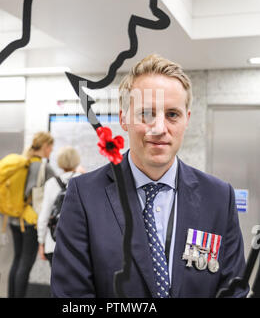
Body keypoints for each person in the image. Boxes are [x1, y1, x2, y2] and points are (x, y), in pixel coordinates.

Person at [50, 54, 249, 298]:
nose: (159, 128)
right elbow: (71, 296)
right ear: (123, 118)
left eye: (172, 114)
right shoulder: (84, 195)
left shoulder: (218, 197)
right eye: (146, 113)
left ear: (187, 120)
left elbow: (233, 291)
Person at [8, 131, 55, 298]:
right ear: (45, 146)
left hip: (14, 218)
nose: (51, 151)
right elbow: (60, 185)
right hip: (31, 221)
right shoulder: (44, 167)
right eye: (51, 147)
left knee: (17, 260)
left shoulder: (22, 163)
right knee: (25, 263)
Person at [37, 146, 84, 267]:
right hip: (78, 245)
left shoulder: (51, 184)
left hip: (53, 244)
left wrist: (41, 243)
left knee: (57, 284)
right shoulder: (85, 180)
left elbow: (44, 216)